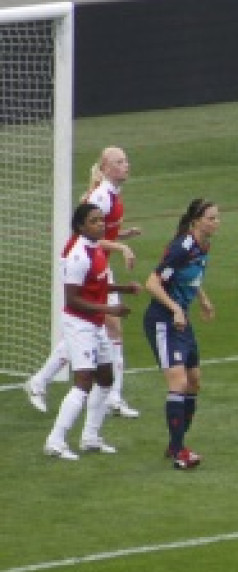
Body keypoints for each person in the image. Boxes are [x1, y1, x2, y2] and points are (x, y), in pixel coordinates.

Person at [25, 147, 144, 418]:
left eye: (126, 160)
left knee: (95, 330)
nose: (126, 165)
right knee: (101, 327)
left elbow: (102, 231)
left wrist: (123, 235)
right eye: (119, 162)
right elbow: (86, 237)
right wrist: (122, 248)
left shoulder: (113, 193)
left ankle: (42, 381)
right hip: (85, 265)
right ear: (106, 168)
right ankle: (111, 397)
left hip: (97, 263)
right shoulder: (101, 195)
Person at [42, 202, 141, 459]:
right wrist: (110, 309)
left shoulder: (95, 249)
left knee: (106, 378)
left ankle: (90, 438)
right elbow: (72, 299)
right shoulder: (78, 255)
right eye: (94, 221)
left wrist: (123, 289)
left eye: (101, 220)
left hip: (95, 323)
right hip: (79, 324)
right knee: (84, 381)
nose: (101, 225)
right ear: (80, 226)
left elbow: (96, 285)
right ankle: (55, 440)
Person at [141, 198, 220, 471]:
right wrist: (175, 308)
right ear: (196, 221)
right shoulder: (181, 247)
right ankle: (178, 451)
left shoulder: (203, 245)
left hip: (180, 320)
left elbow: (189, 276)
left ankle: (176, 442)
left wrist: (203, 299)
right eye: (211, 218)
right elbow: (152, 283)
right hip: (163, 321)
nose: (216, 223)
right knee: (179, 381)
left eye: (217, 218)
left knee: (194, 382)